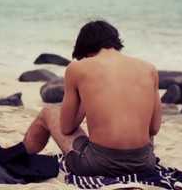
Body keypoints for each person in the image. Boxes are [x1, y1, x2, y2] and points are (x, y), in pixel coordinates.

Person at [23, 20, 162, 177]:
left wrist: (84, 98)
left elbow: (66, 127)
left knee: (48, 112)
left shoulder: (77, 68)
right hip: (144, 163)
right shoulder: (149, 68)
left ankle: (19, 154)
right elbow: (154, 129)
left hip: (100, 165)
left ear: (85, 48)